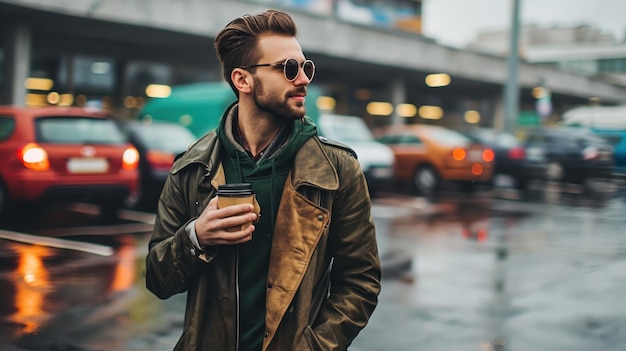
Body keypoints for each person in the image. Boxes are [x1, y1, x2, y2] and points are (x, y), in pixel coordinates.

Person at [145, 9, 381, 351]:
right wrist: (196, 236)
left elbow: (360, 281)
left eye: (305, 67)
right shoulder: (191, 168)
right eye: (288, 68)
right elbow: (157, 278)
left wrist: (315, 347)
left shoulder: (336, 170)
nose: (302, 79)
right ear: (243, 80)